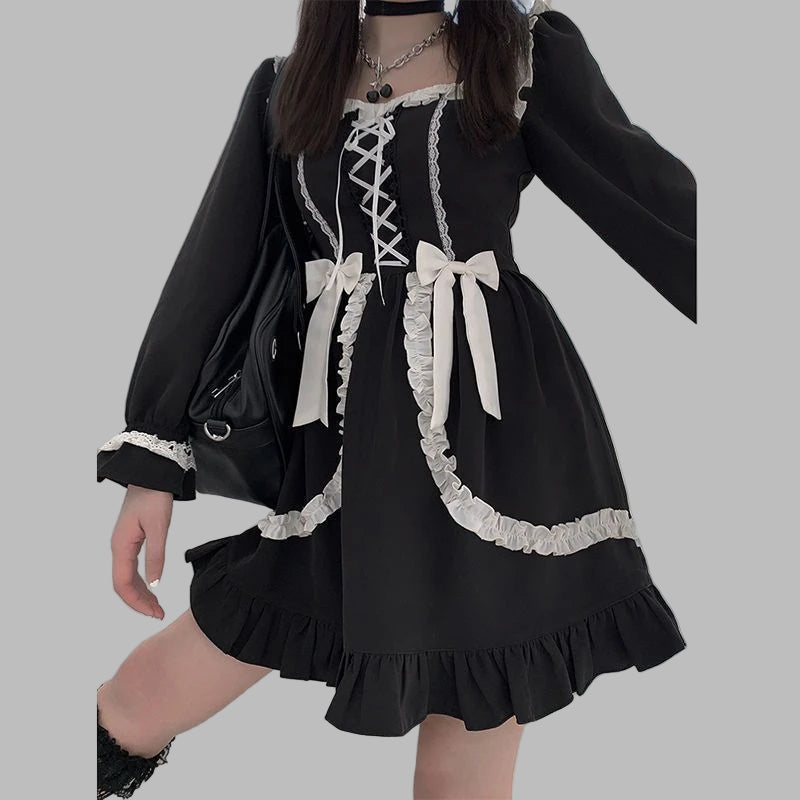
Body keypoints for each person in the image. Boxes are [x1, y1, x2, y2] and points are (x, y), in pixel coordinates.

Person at [95, 1, 696, 797]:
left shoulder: (521, 57)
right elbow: (214, 270)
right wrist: (152, 460)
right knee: (137, 700)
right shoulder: (287, 86)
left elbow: (659, 209)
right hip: (342, 463)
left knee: (458, 775)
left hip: (496, 444)